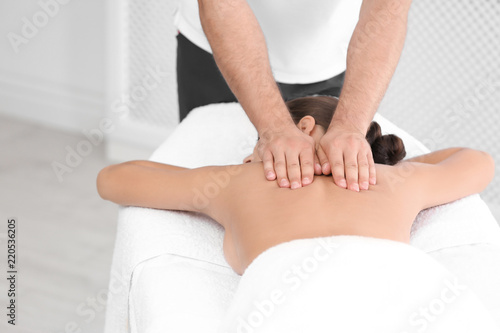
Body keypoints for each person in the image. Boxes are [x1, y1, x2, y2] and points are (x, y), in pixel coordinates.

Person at [96, 96, 495, 276]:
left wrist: (240, 165)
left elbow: (114, 178)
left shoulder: (237, 180)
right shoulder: (395, 182)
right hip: (390, 293)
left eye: (258, 140)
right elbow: (478, 160)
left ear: (302, 127)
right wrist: (375, 164)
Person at [176, 0, 414, 192]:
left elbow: (389, 8)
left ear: (306, 127)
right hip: (219, 43)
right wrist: (274, 128)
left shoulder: (220, 189)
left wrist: (350, 124)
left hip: (332, 51)